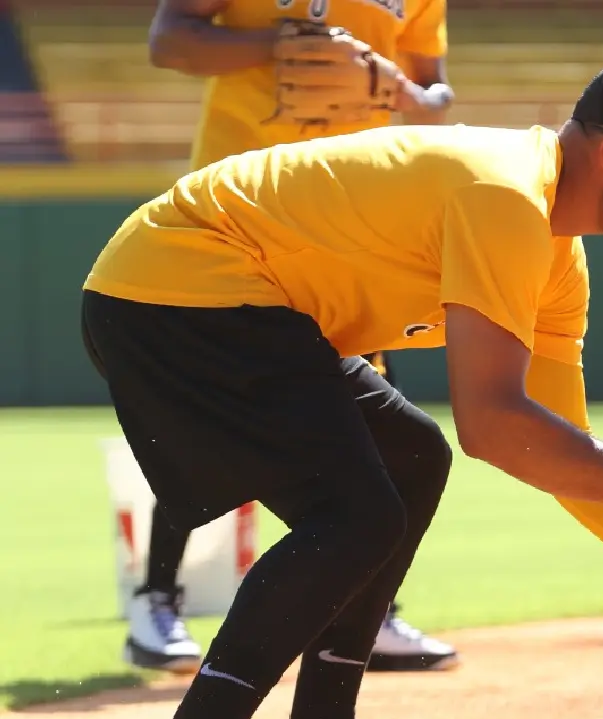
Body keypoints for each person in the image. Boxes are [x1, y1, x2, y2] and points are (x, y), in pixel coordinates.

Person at [84, 51, 603, 719]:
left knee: (411, 459)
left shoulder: (553, 260)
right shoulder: (506, 196)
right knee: (357, 513)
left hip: (227, 300)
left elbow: (557, 454)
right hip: (176, 288)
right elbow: (492, 425)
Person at [121, 0, 459, 677]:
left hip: (352, 217)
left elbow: (436, 96)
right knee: (209, 420)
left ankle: (365, 613)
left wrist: (398, 90)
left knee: (378, 422)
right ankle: (155, 603)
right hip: (233, 210)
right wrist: (275, 44)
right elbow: (170, 40)